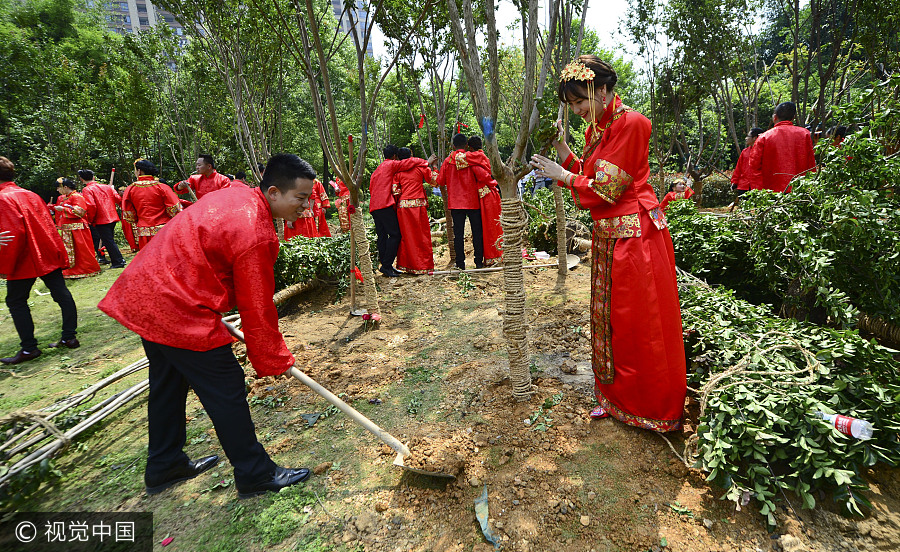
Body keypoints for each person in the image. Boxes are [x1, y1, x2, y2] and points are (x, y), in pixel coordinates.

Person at [98, 153, 316, 498]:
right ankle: (255, 473)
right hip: (176, 306)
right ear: (273, 192)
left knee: (168, 383)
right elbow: (255, 306)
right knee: (226, 385)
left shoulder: (236, 193)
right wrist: (272, 357)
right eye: (300, 198)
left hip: (145, 293)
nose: (305, 207)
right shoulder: (255, 231)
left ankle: (163, 464)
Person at [529, 55, 686, 431]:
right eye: (572, 106)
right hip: (611, 237)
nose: (578, 110)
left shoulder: (631, 123)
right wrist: (563, 148)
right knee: (613, 321)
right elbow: (589, 171)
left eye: (580, 101)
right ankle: (617, 399)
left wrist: (562, 175)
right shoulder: (597, 129)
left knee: (639, 324)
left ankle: (651, 407)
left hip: (635, 240)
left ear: (601, 90)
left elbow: (609, 189)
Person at [1, 157, 80, 364]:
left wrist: (5, 265)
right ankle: (69, 336)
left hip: (25, 256)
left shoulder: (3, 198)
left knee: (16, 301)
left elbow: (11, 235)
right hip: (44, 250)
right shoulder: (30, 194)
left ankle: (29, 348)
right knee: (61, 294)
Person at [436, 134, 483, 270]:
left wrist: (434, 169)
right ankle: (478, 262)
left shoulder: (448, 160)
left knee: (458, 235)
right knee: (477, 232)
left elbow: (440, 181)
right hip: (473, 201)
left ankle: (460, 264)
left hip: (456, 203)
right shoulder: (471, 158)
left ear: (453, 146)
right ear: (467, 145)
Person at [747, 102, 817, 193]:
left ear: (774, 117)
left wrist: (758, 192)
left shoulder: (764, 137)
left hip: (771, 194)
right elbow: (811, 164)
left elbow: (754, 167)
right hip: (799, 191)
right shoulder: (805, 134)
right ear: (793, 118)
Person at [458, 136, 503, 266]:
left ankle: (492, 257)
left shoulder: (475, 157)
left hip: (487, 195)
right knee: (493, 227)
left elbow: (458, 159)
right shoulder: (482, 156)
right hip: (490, 194)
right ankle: (495, 256)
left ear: (470, 148)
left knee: (489, 227)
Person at [391, 148, 437, 274]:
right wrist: (435, 167)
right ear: (411, 155)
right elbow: (434, 181)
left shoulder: (397, 172)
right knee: (422, 236)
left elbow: (395, 190)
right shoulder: (421, 167)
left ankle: (407, 266)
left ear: (399, 158)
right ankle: (424, 266)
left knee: (407, 237)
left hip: (403, 207)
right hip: (418, 205)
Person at [121, 159, 182, 250]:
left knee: (148, 259)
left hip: (144, 232)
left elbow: (129, 215)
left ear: (139, 171)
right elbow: (175, 209)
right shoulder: (162, 187)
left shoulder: (130, 189)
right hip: (164, 229)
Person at [53, 178, 102, 279]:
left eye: (59, 188)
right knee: (70, 251)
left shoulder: (77, 197)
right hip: (68, 229)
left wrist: (63, 209)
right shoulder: (65, 198)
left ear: (65, 187)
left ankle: (87, 269)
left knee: (82, 251)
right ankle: (71, 271)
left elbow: (80, 211)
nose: (58, 190)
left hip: (78, 229)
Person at [79, 169, 127, 268]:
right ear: (93, 177)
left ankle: (118, 261)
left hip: (101, 219)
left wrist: (91, 219)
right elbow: (118, 199)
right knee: (109, 240)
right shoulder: (107, 187)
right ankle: (118, 259)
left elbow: (91, 205)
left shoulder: (87, 190)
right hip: (112, 216)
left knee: (108, 240)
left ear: (81, 179)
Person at [369, 145, 403, 277]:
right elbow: (408, 163)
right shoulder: (391, 164)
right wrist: (426, 162)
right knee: (395, 234)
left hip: (374, 206)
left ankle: (385, 265)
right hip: (384, 205)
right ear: (394, 156)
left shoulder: (377, 170)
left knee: (382, 236)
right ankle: (387, 265)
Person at [730, 128, 764, 198]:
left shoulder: (764, 151)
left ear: (754, 138)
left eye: (748, 136)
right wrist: (734, 182)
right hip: (743, 186)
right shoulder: (745, 152)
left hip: (758, 187)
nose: (746, 138)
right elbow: (738, 168)